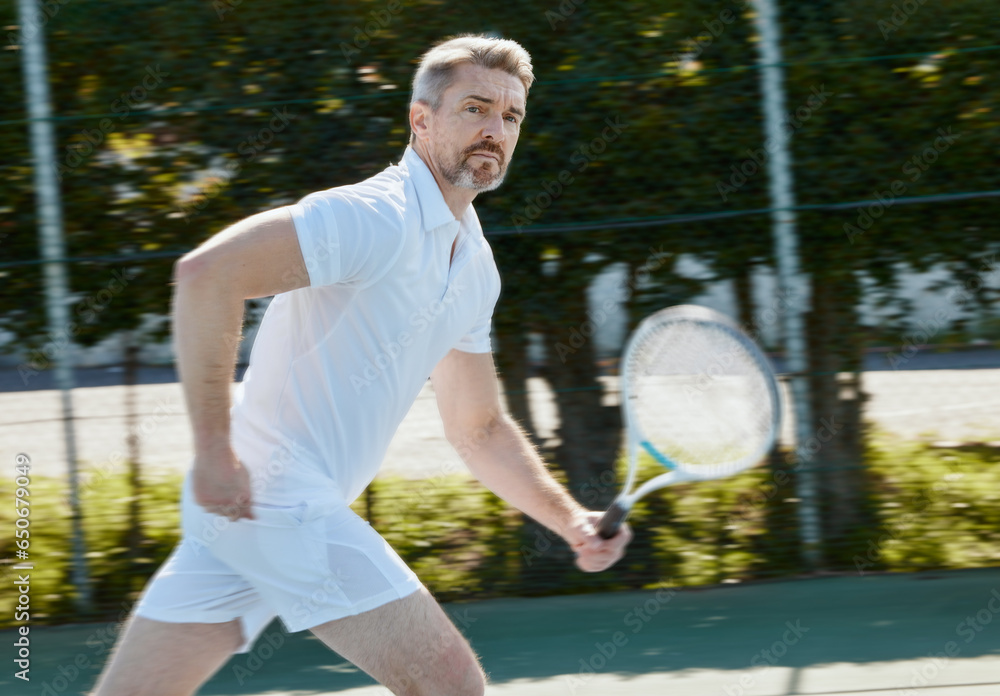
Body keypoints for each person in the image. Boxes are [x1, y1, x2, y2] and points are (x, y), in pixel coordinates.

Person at [91, 34, 632, 696]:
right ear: (421, 119)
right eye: (474, 108)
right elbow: (207, 274)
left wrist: (568, 520)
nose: (494, 129)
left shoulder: (474, 264)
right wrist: (212, 451)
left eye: (510, 116)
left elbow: (480, 428)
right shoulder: (373, 217)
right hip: (279, 501)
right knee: (451, 685)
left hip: (242, 514)